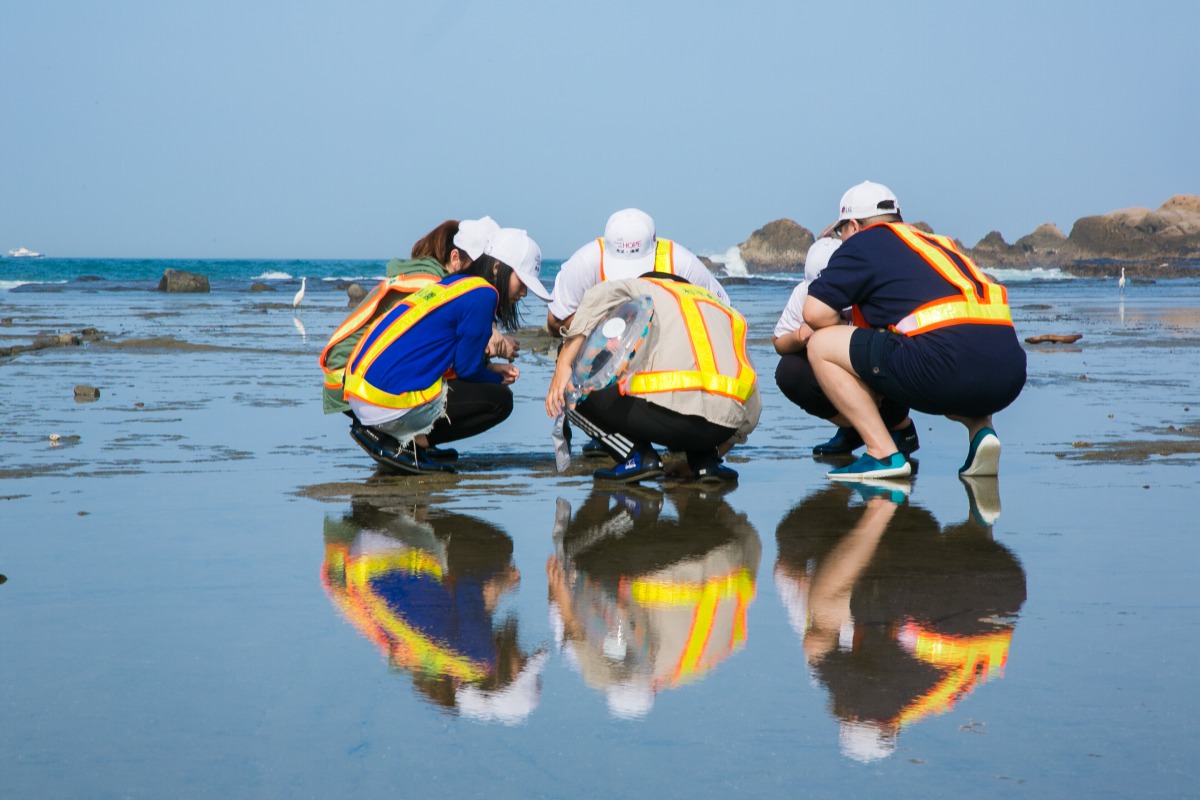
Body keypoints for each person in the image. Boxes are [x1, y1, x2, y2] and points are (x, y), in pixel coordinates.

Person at [801, 181, 1026, 479]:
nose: (841, 240)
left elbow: (814, 313)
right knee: (958, 342)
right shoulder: (936, 243)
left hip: (946, 369)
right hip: (1008, 374)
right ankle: (981, 431)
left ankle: (882, 454)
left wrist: (845, 334)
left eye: (840, 231)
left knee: (821, 344)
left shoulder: (862, 244)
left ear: (853, 226)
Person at [343, 227, 551, 474]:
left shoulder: (455, 283)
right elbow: (466, 369)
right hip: (383, 403)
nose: (524, 292)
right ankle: (414, 443)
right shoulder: (484, 294)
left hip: (358, 392)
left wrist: (487, 367)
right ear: (498, 267)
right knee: (500, 400)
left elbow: (450, 357)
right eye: (523, 281)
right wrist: (496, 377)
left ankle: (411, 439)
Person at [545, 273, 761, 483]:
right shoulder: (726, 312)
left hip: (671, 422)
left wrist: (563, 362)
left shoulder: (649, 288)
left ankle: (637, 457)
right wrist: (715, 451)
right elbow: (752, 408)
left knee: (571, 387)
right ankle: (706, 463)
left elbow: (597, 294)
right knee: (707, 398)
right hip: (719, 431)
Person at [320, 217, 518, 436]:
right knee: (495, 397)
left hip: (355, 380)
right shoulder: (433, 285)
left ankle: (404, 434)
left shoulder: (428, 278)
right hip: (357, 384)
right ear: (455, 258)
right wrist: (490, 338)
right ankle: (411, 438)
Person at [773, 236, 922, 458]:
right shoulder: (803, 294)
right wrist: (799, 335)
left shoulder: (870, 292)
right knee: (789, 370)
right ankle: (857, 428)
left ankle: (900, 428)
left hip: (882, 382)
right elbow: (779, 343)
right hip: (843, 381)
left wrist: (839, 324)